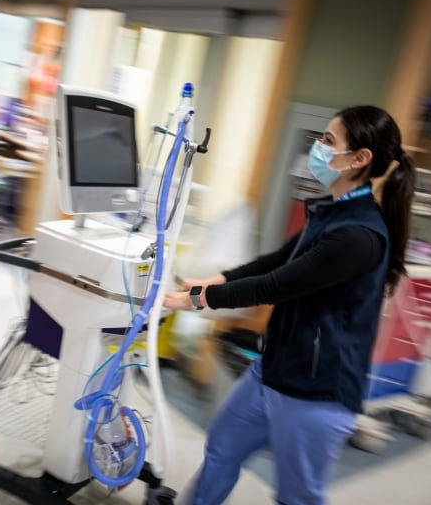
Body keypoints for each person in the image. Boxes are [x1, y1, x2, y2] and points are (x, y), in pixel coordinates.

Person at [163, 106, 416, 505]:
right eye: (321, 137)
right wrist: (214, 281)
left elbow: (277, 285)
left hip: (317, 394)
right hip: (272, 373)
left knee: (296, 499)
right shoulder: (330, 211)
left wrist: (195, 300)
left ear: (359, 159)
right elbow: (277, 261)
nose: (317, 147)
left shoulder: (360, 236)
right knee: (221, 450)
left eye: (329, 141)